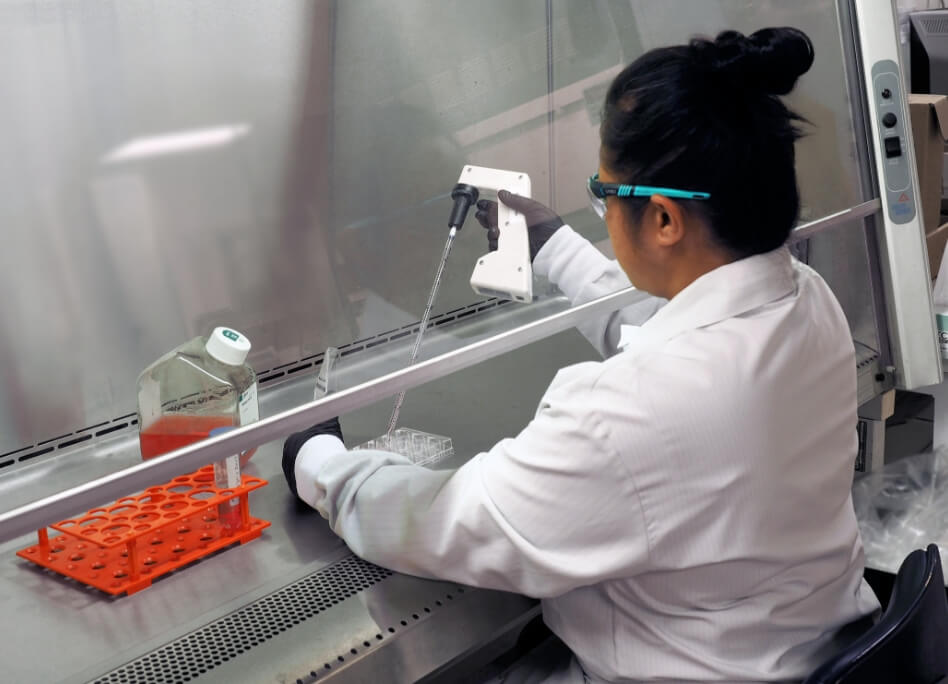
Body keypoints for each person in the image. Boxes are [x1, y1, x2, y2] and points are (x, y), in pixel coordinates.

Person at [282, 27, 881, 683]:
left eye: (605, 192)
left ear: (663, 220)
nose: (601, 207)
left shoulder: (622, 415)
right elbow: (670, 330)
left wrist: (315, 461)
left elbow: (444, 525)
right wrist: (556, 248)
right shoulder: (808, 302)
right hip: (808, 652)